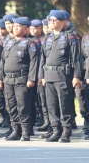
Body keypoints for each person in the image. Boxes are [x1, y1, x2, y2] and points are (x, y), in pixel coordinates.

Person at [39, 10, 81, 143]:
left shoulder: (70, 37)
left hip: (63, 75)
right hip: (49, 75)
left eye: (54, 20)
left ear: (62, 21)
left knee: (65, 105)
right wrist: (42, 75)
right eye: (50, 20)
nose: (51, 23)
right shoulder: (47, 38)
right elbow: (43, 58)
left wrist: (77, 76)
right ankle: (56, 130)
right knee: (51, 105)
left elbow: (76, 58)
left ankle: (66, 132)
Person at [0, 17, 38, 141]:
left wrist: (31, 79)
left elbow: (34, 62)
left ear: (26, 28)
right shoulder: (8, 42)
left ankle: (25, 131)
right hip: (8, 80)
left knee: (23, 106)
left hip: (22, 79)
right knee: (11, 106)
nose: (15, 28)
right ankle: (15, 130)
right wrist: (0, 77)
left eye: (18, 26)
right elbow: (2, 62)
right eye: (14, 26)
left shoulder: (30, 43)